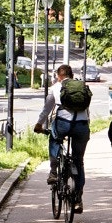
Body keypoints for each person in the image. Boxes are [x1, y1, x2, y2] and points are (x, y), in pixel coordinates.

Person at [36, 63, 91, 213]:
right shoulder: (82, 87)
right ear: (71, 75)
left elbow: (47, 109)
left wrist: (39, 125)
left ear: (59, 76)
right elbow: (87, 110)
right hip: (82, 126)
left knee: (54, 138)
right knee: (79, 162)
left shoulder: (56, 88)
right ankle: (78, 199)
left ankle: (54, 171)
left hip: (63, 124)